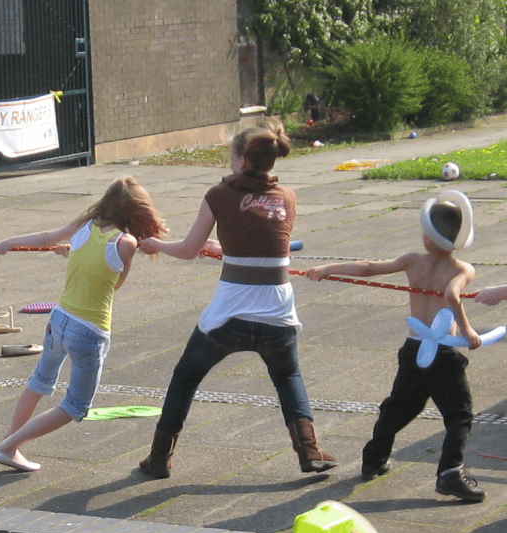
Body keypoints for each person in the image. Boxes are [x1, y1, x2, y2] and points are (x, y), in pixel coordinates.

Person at [139, 119, 337, 478]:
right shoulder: (287, 198)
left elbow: (186, 250)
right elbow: (258, 238)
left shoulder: (219, 195)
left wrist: (155, 245)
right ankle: (309, 451)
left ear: (242, 160)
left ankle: (158, 458)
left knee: (186, 375)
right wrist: (221, 246)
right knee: (287, 375)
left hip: (228, 316)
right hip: (277, 312)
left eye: (231, 154)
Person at [307, 190, 485, 502]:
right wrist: (469, 331)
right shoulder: (462, 269)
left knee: (400, 407)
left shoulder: (412, 261)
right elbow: (452, 297)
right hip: (442, 352)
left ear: (428, 236)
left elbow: (368, 267)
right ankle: (449, 472)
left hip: (415, 348)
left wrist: (327, 268)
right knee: (459, 415)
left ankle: (374, 458)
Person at [0, 176, 168, 471]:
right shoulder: (127, 242)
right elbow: (113, 284)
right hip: (89, 330)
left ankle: (11, 441)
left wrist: (9, 242)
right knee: (75, 406)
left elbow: (48, 237)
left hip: (58, 319)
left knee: (39, 381)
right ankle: (8, 446)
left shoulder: (85, 226)